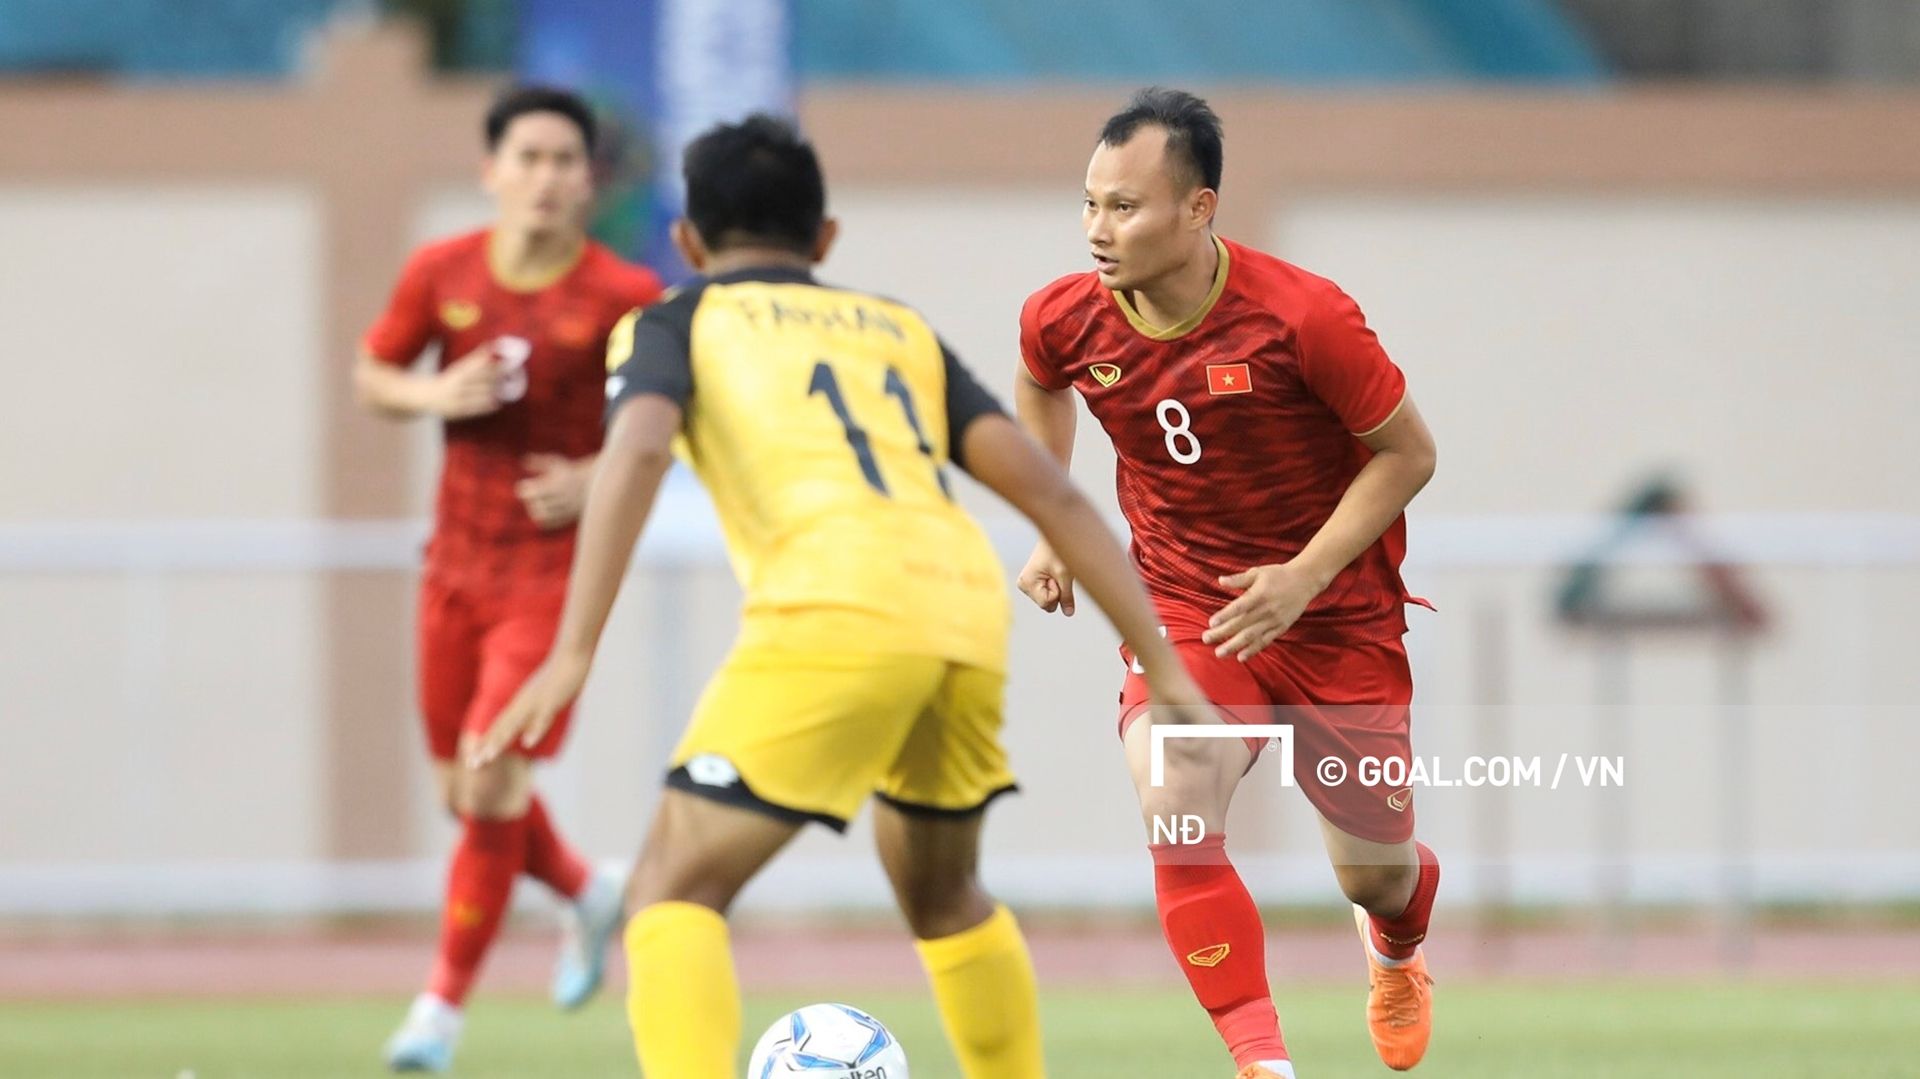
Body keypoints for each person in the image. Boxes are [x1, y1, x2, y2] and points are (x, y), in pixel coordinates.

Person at [474, 113, 1219, 1079]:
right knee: (943, 894)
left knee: (669, 889)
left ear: (689, 244)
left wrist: (570, 653)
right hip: (958, 614)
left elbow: (644, 445)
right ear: (825, 240)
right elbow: (1051, 489)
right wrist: (1164, 665)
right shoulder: (896, 328)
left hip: (834, 611)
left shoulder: (675, 320)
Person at [1013, 88, 1442, 1077]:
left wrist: (1301, 575)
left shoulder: (1304, 316)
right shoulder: (1064, 317)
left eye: (1125, 207)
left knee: (1376, 872)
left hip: (1337, 610)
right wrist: (1049, 522)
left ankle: (1397, 947)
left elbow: (1408, 454)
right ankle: (1263, 1061)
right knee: (1176, 794)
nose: (1097, 230)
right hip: (1183, 602)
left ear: (1199, 209)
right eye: (1090, 204)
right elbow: (1041, 375)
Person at [353, 85, 663, 1072]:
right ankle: (584, 889)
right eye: (526, 157)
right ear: (491, 171)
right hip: (452, 570)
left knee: (491, 776)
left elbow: (675, 422)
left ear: (590, 179)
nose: (545, 176)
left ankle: (438, 1012)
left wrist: (595, 475)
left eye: (565, 160)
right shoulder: (440, 271)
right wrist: (433, 390)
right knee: (467, 789)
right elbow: (373, 372)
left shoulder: (624, 295)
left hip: (549, 580)